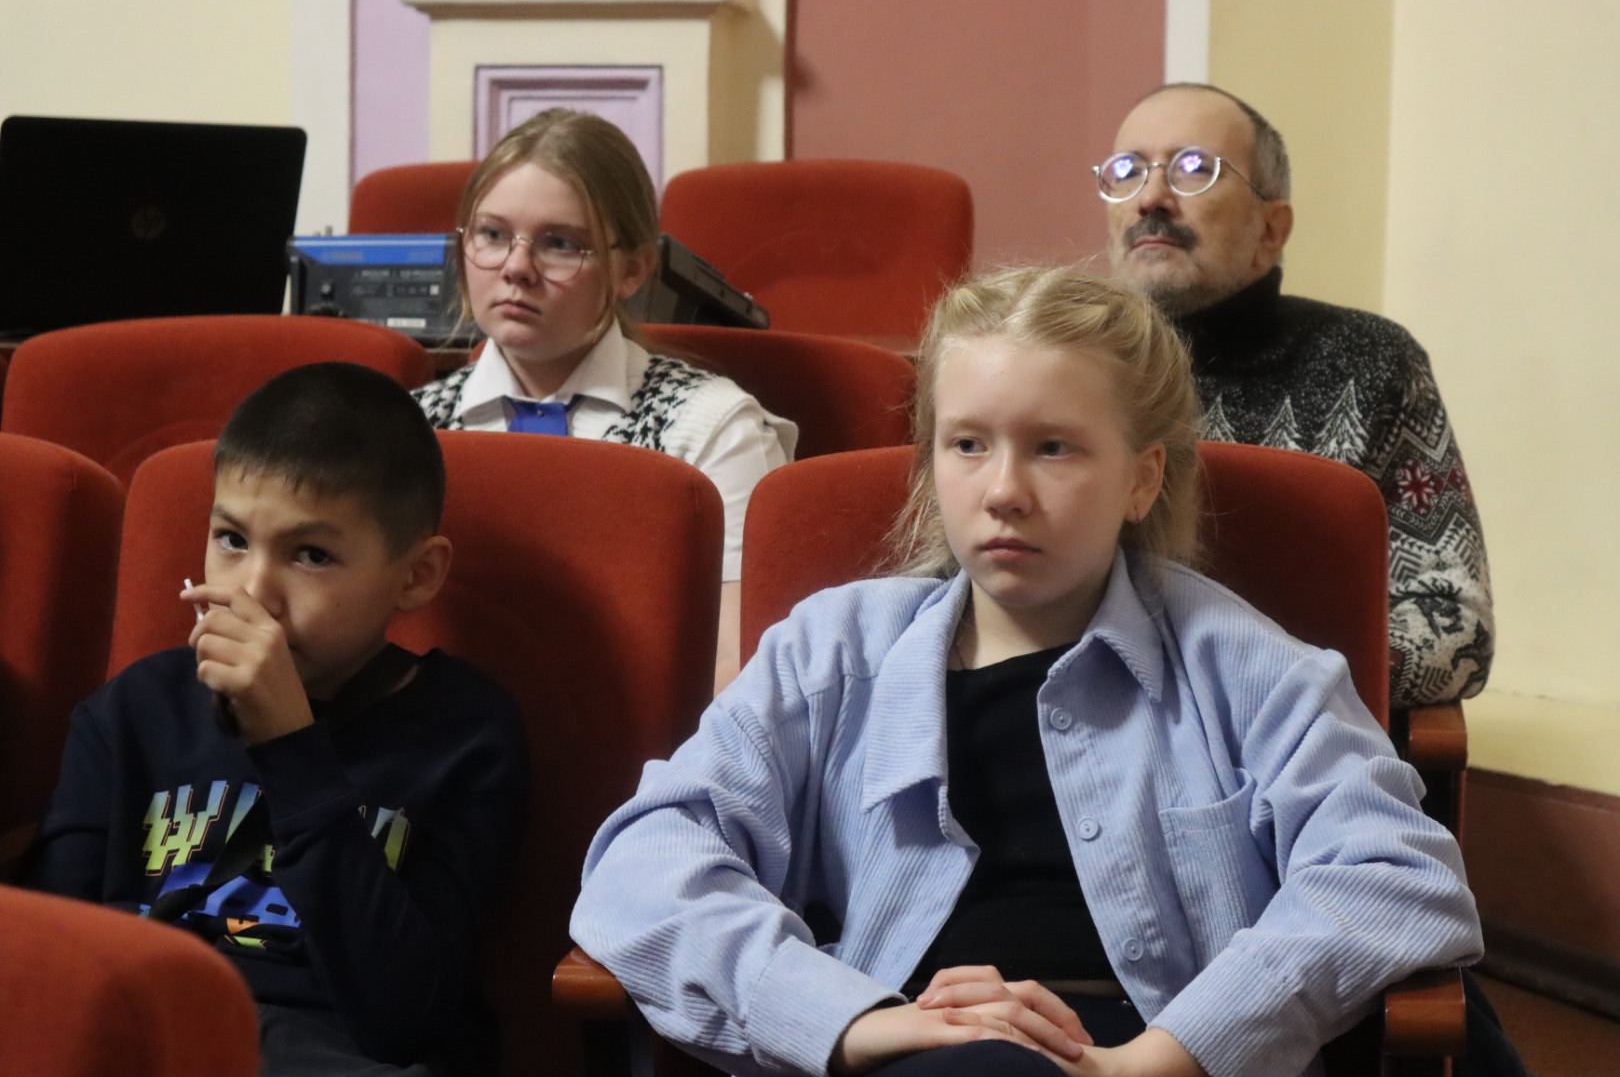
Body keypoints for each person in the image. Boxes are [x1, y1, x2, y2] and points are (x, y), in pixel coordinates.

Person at [570, 267, 1491, 1077]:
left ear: (1141, 479)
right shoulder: (833, 650)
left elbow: (1395, 872)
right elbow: (647, 862)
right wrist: (848, 1019)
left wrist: (1162, 1058)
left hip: (1145, 1046)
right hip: (909, 1044)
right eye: (968, 445)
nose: (1003, 491)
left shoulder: (1244, 667)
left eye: (1053, 448)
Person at [27, 363, 529, 1076]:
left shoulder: (465, 734)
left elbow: (407, 1017)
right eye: (231, 540)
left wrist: (293, 748)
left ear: (416, 576)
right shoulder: (133, 710)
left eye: (312, 555)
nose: (254, 592)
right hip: (149, 1036)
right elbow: (52, 965)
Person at [1096, 83, 1492, 709]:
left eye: (1193, 167)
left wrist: (1256, 674)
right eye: (1127, 170)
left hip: (1301, 734)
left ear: (1270, 227)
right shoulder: (1066, 370)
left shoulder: (1371, 362)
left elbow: (1457, 628)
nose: (1151, 197)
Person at [413, 107, 796, 691]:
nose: (516, 267)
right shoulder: (409, 426)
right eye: (491, 235)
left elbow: (742, 662)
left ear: (632, 270)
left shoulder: (709, 425)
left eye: (559, 244)